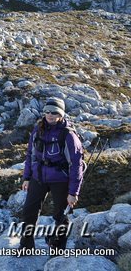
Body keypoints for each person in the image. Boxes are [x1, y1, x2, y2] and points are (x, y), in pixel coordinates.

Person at [19, 97, 85, 251]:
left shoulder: (68, 135)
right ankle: (26, 246)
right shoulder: (38, 129)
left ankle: (57, 248)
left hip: (60, 179)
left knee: (60, 216)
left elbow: (76, 165)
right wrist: (27, 177)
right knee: (29, 212)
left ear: (61, 114)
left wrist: (73, 192)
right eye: (47, 111)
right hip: (38, 177)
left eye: (54, 112)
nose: (50, 114)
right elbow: (30, 154)